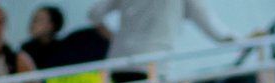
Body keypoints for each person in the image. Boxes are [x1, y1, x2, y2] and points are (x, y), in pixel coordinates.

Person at [88, 0, 234, 63]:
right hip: (155, 64)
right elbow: (211, 26)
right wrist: (239, 40)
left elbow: (94, 14)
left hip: (121, 61)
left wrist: (115, 39)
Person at [20, 5, 66, 70]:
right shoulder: (25, 50)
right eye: (33, 20)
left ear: (51, 25)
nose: (32, 24)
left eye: (38, 20)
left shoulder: (63, 49)